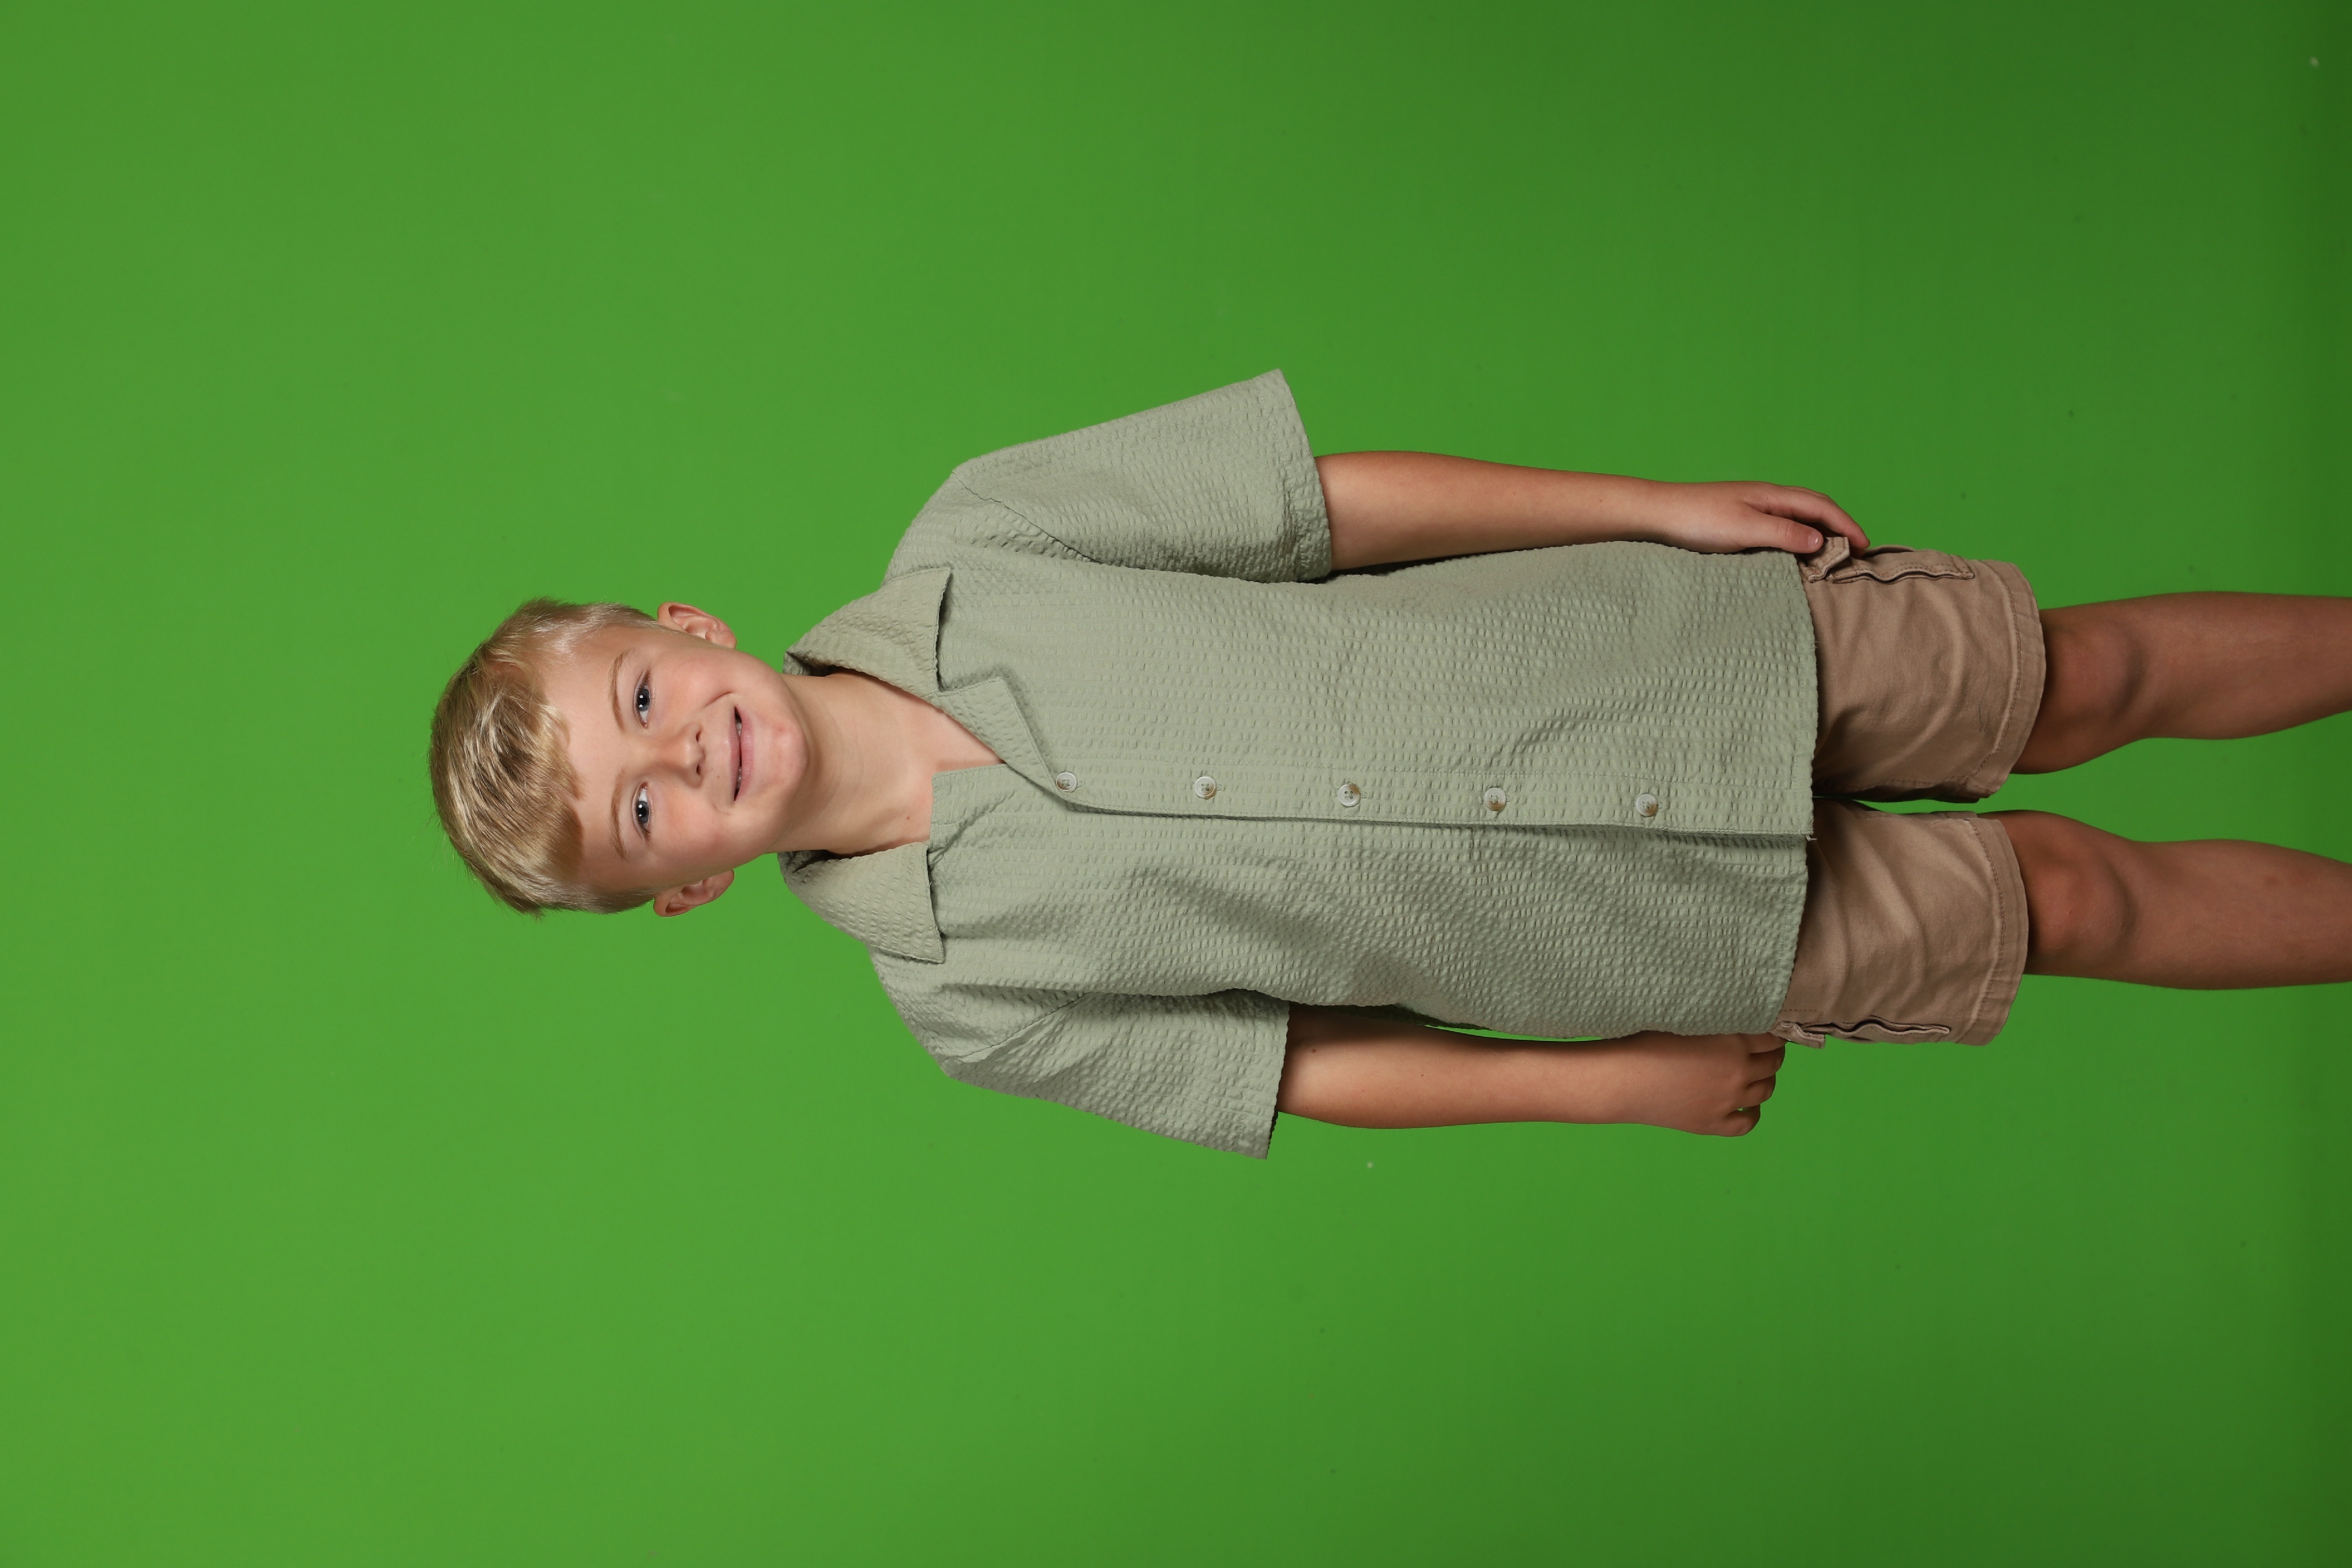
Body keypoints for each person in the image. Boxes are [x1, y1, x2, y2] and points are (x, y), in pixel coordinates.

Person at [429, 372, 2352, 1156]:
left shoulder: (983, 531)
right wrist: (1604, 1089)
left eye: (642, 700)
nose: (681, 754)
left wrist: (1657, 506)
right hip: (1650, 936)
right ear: (684, 886)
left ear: (684, 628)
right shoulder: (961, 1000)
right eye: (641, 812)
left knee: (2077, 677)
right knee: (2070, 901)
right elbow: (1292, 1068)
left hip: (1649, 657)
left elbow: (1322, 507)